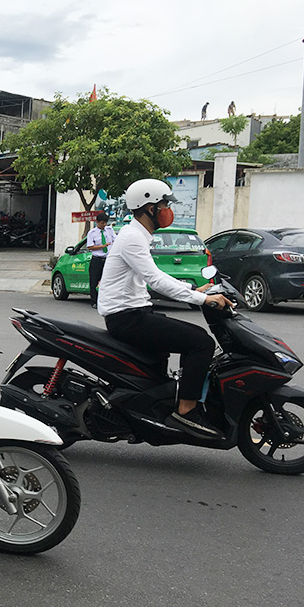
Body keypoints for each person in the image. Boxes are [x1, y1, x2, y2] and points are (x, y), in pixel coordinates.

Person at [97, 179, 233, 439]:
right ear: (149, 208)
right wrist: (202, 300)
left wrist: (196, 291)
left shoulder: (137, 235)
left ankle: (151, 408)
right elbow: (156, 280)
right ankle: (186, 410)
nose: (168, 210)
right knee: (200, 342)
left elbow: (156, 275)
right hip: (126, 318)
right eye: (164, 204)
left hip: (135, 312)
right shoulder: (133, 238)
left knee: (163, 357)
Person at [85, 212, 115, 308]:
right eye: (102, 223)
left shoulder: (110, 230)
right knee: (94, 281)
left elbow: (116, 240)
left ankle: (106, 301)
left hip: (107, 259)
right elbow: (90, 246)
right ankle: (94, 301)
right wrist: (102, 246)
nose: (104, 225)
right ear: (97, 222)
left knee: (107, 281)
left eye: (105, 222)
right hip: (97, 259)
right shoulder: (92, 233)